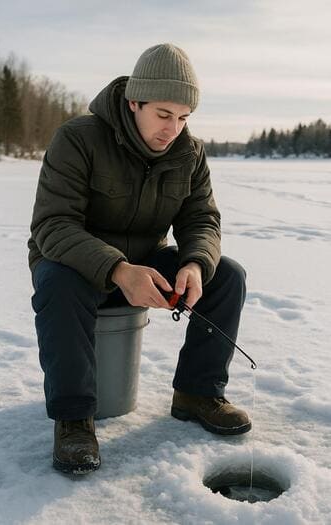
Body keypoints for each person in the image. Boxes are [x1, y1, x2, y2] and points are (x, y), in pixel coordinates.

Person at [29, 43, 251, 475]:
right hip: (75, 265)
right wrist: (117, 269)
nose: (174, 129)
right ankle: (74, 419)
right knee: (57, 279)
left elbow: (202, 219)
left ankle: (197, 393)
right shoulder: (78, 138)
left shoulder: (190, 153)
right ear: (135, 102)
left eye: (184, 117)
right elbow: (53, 225)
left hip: (147, 262)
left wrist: (194, 263)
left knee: (227, 276)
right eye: (163, 114)